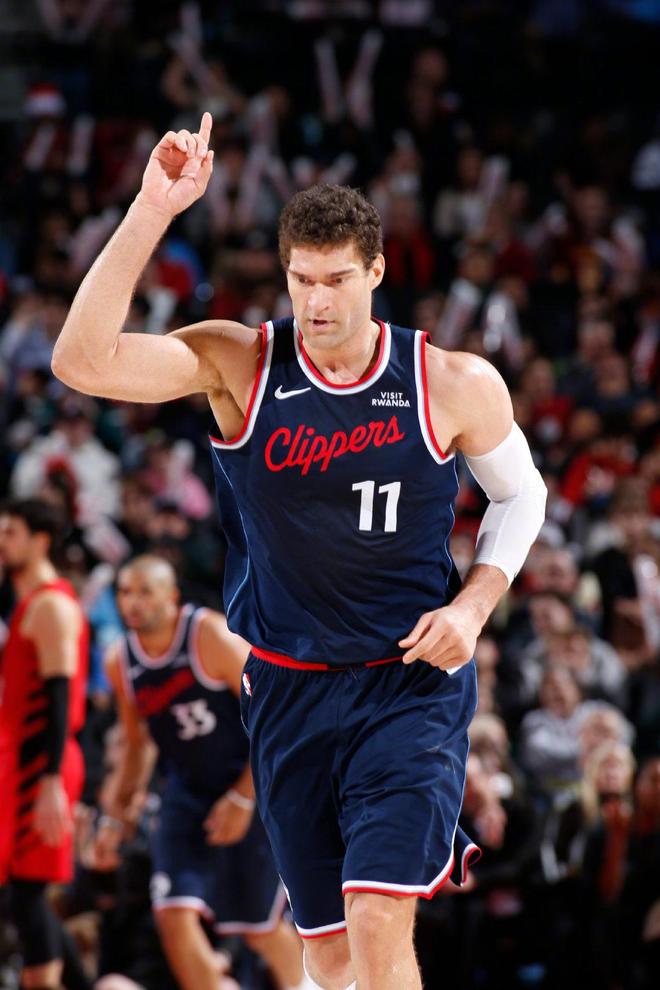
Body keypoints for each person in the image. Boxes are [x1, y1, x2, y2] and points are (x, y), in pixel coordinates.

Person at [52, 113, 547, 990]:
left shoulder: (450, 381)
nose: (317, 301)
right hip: (287, 688)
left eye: (337, 280)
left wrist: (473, 608)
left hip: (408, 683)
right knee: (326, 953)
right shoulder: (241, 364)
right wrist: (151, 209)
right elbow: (82, 361)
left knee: (379, 915)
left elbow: (523, 493)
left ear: (377, 272)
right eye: (301, 279)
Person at [101, 554, 308, 990]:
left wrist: (243, 797)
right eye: (124, 592)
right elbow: (138, 746)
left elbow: (275, 717)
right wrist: (114, 816)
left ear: (172, 597)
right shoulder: (119, 660)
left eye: (144, 591)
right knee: (172, 911)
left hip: (252, 779)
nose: (132, 602)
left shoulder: (209, 634)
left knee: (257, 927)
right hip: (186, 792)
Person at [0, 497, 90, 990]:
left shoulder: (52, 605)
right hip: (26, 761)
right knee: (22, 892)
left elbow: (60, 693)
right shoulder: (28, 603)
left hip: (42, 763)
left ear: (40, 541)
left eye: (9, 532)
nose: (1, 542)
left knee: (27, 892)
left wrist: (51, 779)